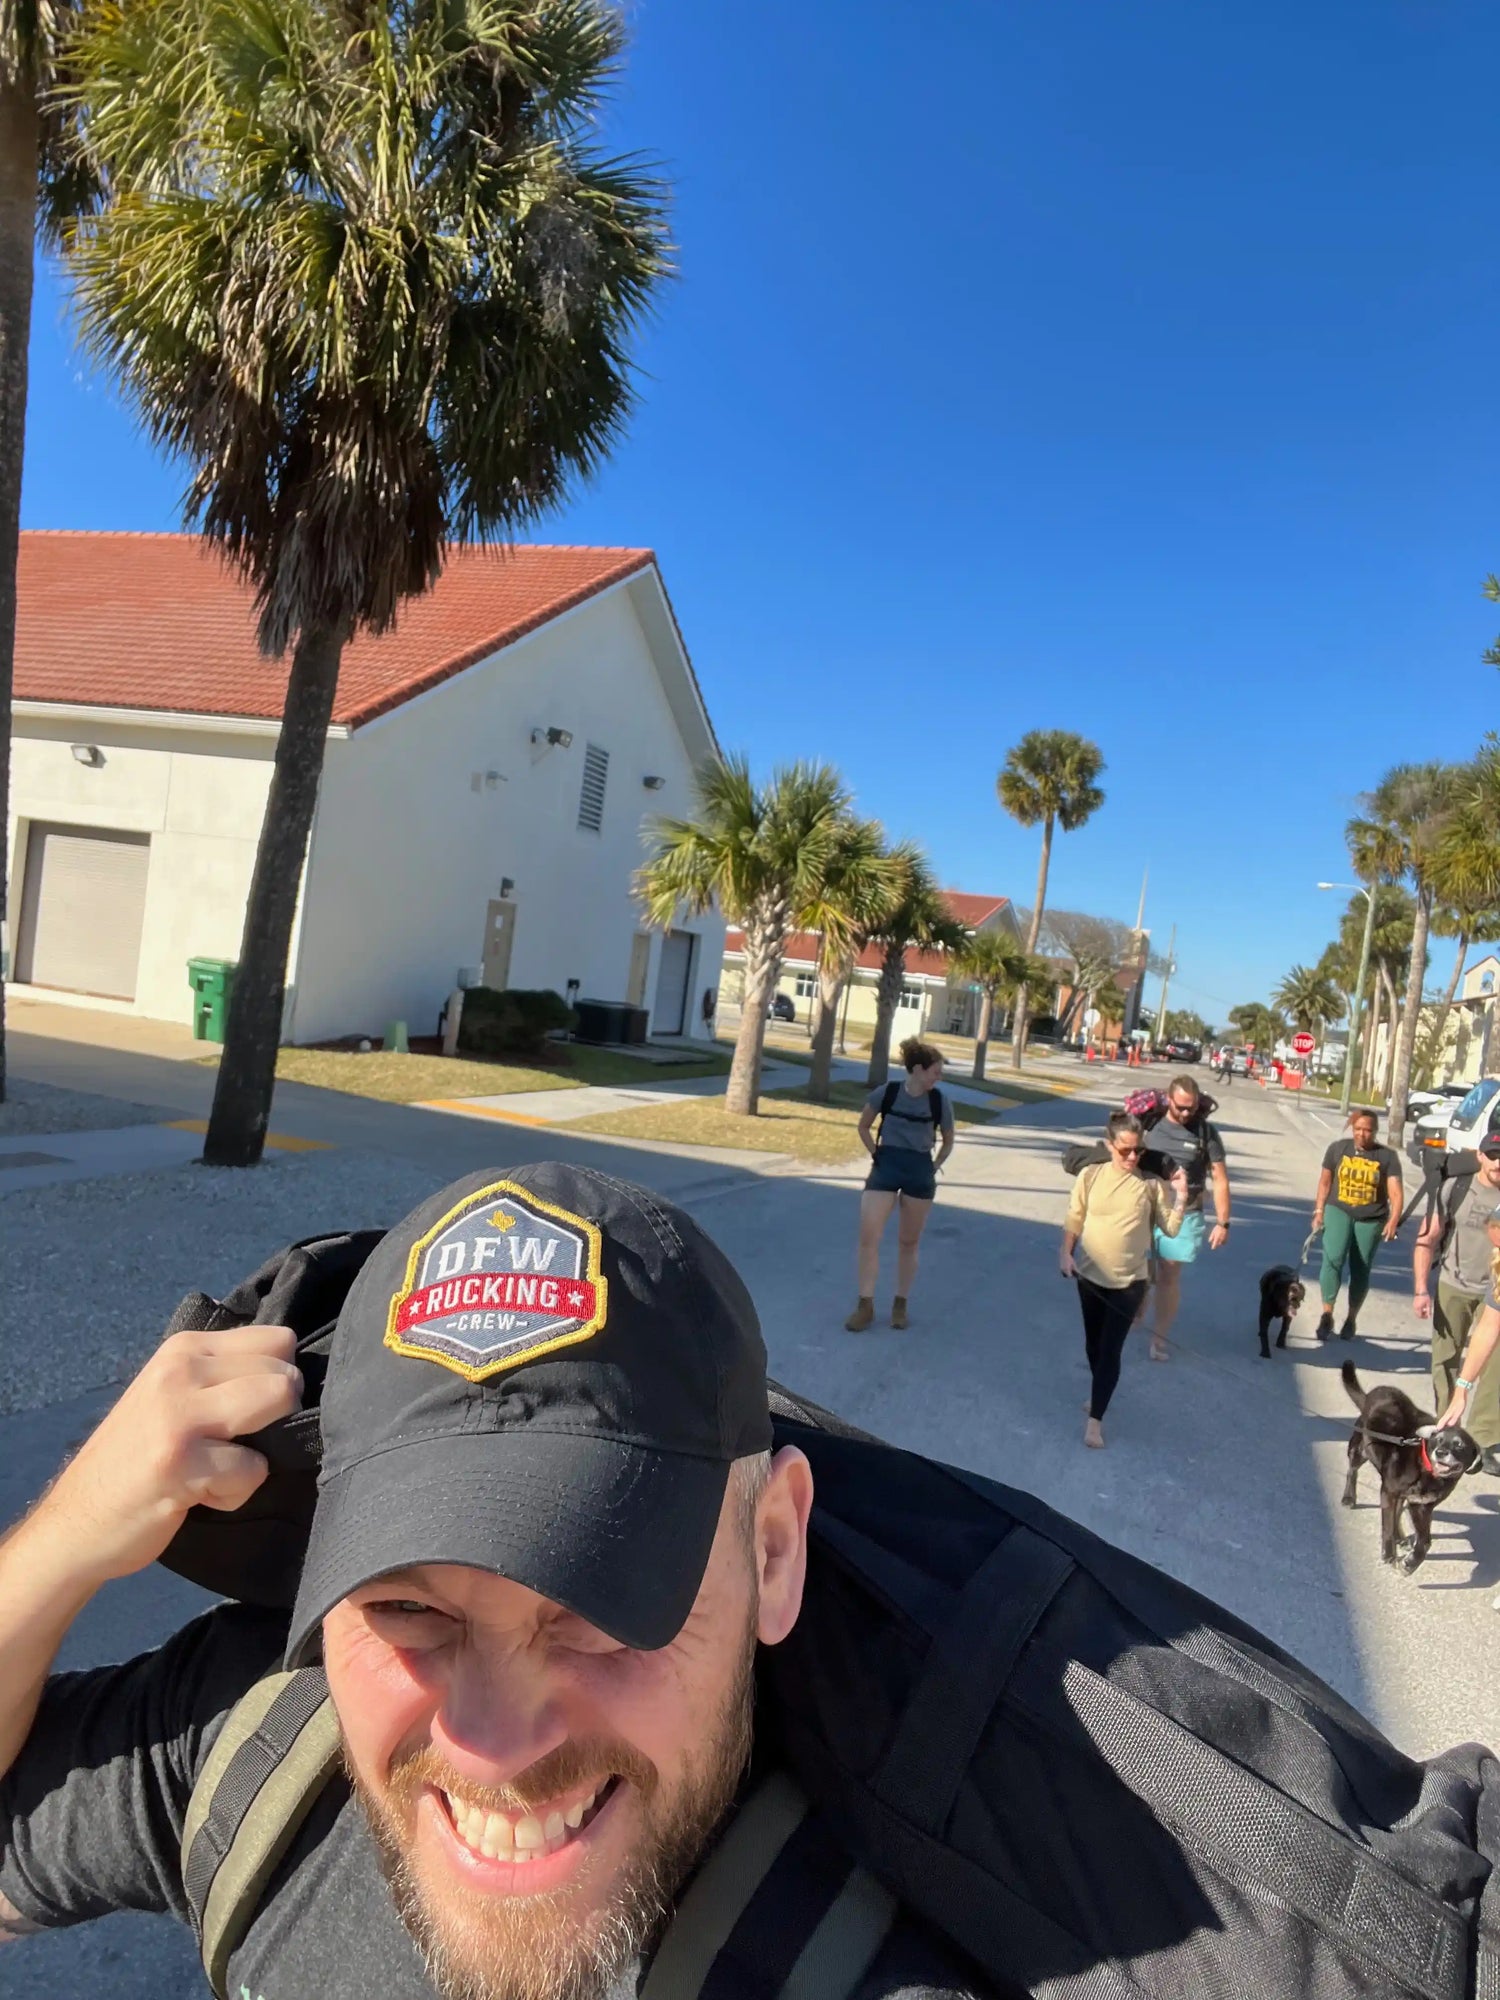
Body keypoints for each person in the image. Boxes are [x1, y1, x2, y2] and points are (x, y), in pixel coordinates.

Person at [0, 1164, 1000, 1999]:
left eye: (602, 1608)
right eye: (407, 1605)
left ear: (772, 1551)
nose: (490, 1743)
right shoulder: (261, 1760)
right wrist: (64, 1538)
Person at [1061, 1113, 1190, 1447]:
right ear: (1109, 1146)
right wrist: (1066, 1252)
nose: (1133, 1157)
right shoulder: (1090, 1175)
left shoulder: (1148, 1184)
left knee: (1110, 1350)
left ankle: (1095, 1421)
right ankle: (1099, 1391)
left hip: (1130, 1283)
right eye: (1125, 1151)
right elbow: (1075, 1216)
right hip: (1089, 1276)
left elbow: (1170, 1228)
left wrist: (1181, 1197)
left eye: (1138, 1151)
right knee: (1093, 1345)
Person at [845, 1036, 955, 1332]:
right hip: (886, 1166)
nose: (939, 1077)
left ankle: (900, 1303)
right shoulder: (888, 1092)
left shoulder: (939, 1100)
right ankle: (865, 1305)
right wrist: (875, 1153)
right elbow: (863, 1125)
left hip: (919, 1169)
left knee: (909, 1242)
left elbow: (948, 1139)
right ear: (918, 1070)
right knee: (869, 1236)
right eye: (935, 1071)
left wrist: (933, 1166)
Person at [1417, 1139, 1500, 1475]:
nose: (1498, 1163)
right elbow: (1430, 1235)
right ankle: (1447, 1428)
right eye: (1493, 1155)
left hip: (1489, 1291)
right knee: (1446, 1359)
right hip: (1455, 1283)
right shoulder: (1458, 1188)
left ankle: (1482, 1439)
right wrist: (1421, 1289)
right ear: (1480, 1156)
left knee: (1495, 1363)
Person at [1134, 1075, 1231, 1361]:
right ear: (1168, 1099)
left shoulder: (1206, 1133)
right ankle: (1140, 1299)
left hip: (1185, 1211)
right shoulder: (1148, 1124)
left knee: (1169, 1271)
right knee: (1140, 1268)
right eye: (1180, 1108)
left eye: (1192, 1107)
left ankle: (1158, 1337)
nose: (1187, 1113)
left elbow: (1221, 1179)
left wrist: (1223, 1222)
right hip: (1145, 1206)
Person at [1310, 1109, 1403, 1340]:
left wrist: (1393, 1220)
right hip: (1338, 1209)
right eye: (1358, 1129)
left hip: (1371, 1218)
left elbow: (1395, 1193)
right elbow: (1325, 1182)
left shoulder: (1387, 1157)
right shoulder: (1337, 1149)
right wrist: (1319, 1211)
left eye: (1368, 1130)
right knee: (1333, 1258)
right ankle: (1327, 1314)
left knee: (1361, 1268)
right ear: (1352, 1129)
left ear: (1375, 1131)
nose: (1363, 1134)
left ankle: (1351, 1318)